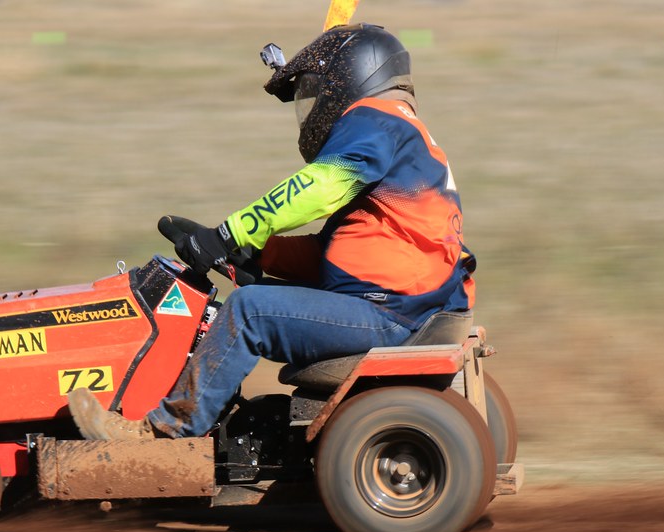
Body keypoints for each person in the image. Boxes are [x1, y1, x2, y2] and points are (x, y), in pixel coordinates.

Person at [68, 23, 476, 440]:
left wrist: (229, 234)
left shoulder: (373, 118)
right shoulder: (404, 133)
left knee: (250, 311)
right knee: (251, 300)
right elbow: (344, 254)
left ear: (350, 79)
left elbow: (321, 185)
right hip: (409, 306)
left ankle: (164, 433)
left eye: (315, 93)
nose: (312, 109)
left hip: (390, 314)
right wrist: (257, 255)